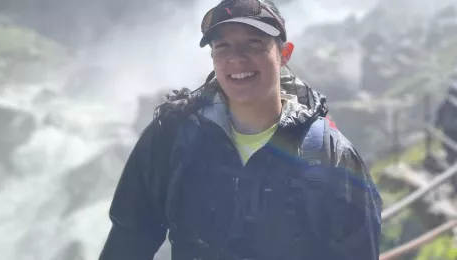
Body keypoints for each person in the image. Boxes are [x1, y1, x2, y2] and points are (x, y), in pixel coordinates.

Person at [99, 0, 382, 259]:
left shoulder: (331, 155)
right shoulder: (171, 137)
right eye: (223, 47)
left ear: (285, 53)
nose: (237, 59)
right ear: (212, 57)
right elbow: (129, 238)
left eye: (254, 44)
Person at [435, 74, 457, 165]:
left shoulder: (446, 103)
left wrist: (437, 124)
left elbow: (440, 113)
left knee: (450, 150)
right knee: (451, 149)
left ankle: (451, 167)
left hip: (448, 129)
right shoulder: (448, 103)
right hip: (451, 129)